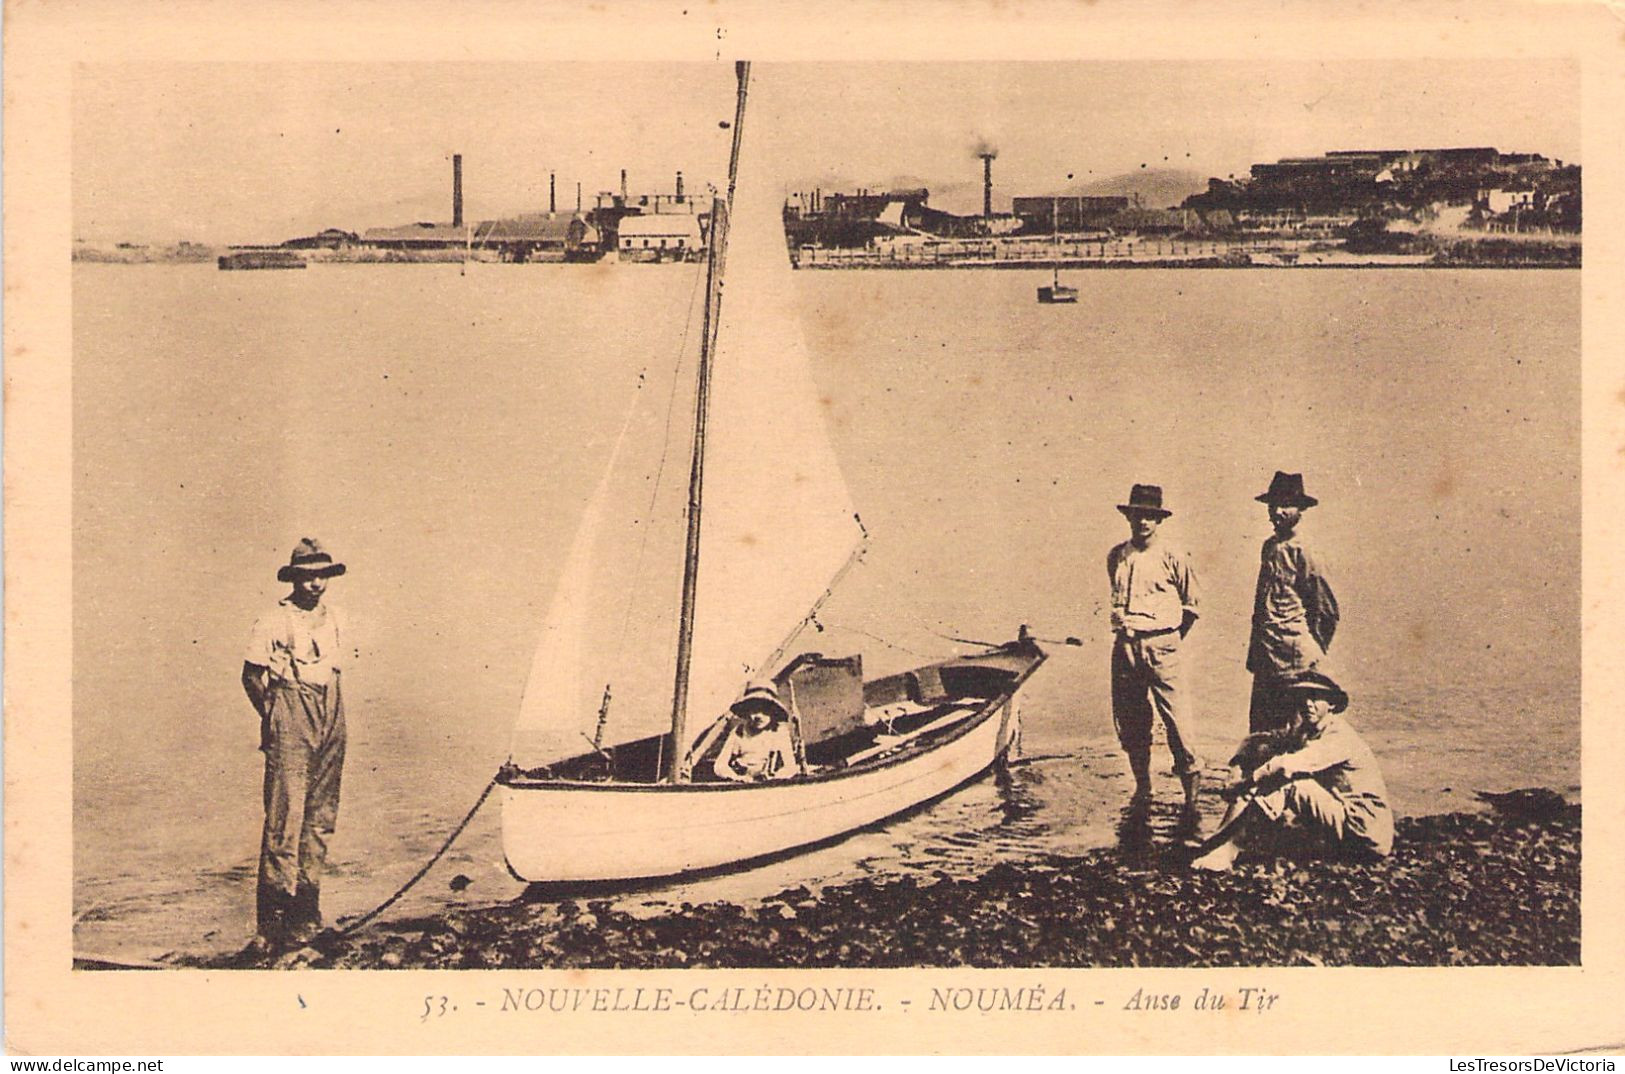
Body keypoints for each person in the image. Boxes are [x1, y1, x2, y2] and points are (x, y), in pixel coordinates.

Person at [241, 538, 350, 948]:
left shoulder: (337, 617)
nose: (315, 584)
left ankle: (308, 913)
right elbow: (251, 676)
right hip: (290, 707)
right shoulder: (273, 619)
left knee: (321, 815)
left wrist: (327, 714)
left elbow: (332, 669)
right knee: (284, 819)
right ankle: (272, 926)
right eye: (307, 577)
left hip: (332, 710)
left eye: (321, 576)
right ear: (294, 580)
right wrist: (273, 717)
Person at [1191, 670, 1392, 871]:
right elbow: (1258, 741)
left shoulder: (1339, 736)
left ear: (1331, 704)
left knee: (1287, 784)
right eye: (1302, 697)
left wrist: (1244, 783)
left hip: (1365, 832)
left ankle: (1227, 851)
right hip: (1344, 824)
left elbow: (1284, 765)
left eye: (1314, 698)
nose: (1307, 704)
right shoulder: (1309, 731)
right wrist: (1236, 767)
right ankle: (1220, 842)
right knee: (1264, 776)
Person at [1106, 483, 1202, 815]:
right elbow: (1117, 600)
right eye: (1137, 515)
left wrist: (1167, 640)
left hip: (1163, 645)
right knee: (1131, 721)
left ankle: (1192, 801)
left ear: (1159, 520)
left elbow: (1192, 607)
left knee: (1178, 724)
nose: (1143, 522)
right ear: (1129, 517)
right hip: (1125, 647)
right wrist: (1129, 639)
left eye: (1149, 516)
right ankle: (1143, 788)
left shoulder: (1173, 555)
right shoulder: (1118, 555)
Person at [1247, 471, 1340, 734]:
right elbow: (1261, 605)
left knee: (1294, 730)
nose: (1277, 511)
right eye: (1273, 505)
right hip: (1267, 655)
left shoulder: (1305, 550)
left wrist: (1311, 650)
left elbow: (1326, 610)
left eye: (1286, 505)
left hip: (1295, 658)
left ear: (1300, 509)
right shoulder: (1270, 547)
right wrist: (1256, 653)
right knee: (1262, 731)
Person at [713, 682, 797, 783]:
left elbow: (790, 767)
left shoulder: (779, 732)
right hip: (743, 785)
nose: (759, 716)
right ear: (747, 711)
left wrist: (777, 777)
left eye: (765, 710)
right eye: (754, 710)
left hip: (771, 785)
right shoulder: (738, 732)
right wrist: (736, 777)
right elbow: (719, 766)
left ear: (772, 711)